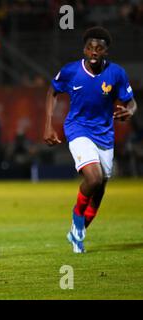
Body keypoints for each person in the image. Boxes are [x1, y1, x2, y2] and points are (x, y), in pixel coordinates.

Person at [44, 26, 137, 253]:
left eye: (99, 48)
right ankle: (77, 222)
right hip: (77, 129)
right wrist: (48, 125)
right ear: (85, 50)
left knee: (101, 188)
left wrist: (131, 111)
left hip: (105, 135)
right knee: (93, 178)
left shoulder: (116, 73)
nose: (94, 51)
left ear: (106, 51)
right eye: (90, 47)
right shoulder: (70, 71)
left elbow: (131, 101)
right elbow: (52, 91)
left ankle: (77, 233)